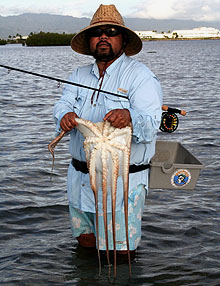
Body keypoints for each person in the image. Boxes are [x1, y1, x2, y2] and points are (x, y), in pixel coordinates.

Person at [53, 4, 163, 254]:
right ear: (89, 41)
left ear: (122, 39)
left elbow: (151, 125)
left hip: (123, 181)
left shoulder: (141, 76)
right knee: (85, 244)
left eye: (111, 31)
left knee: (120, 253)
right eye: (97, 32)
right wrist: (64, 115)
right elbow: (62, 104)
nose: (103, 37)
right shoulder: (78, 75)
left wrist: (130, 117)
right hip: (79, 179)